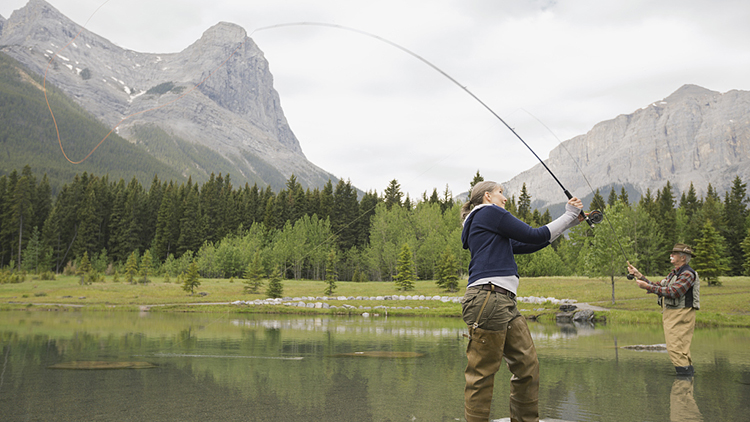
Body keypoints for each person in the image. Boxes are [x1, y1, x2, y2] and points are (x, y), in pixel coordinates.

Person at [460, 181, 583, 422]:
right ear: (487, 196)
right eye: (501, 193)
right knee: (482, 374)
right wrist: (568, 213)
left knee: (527, 365)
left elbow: (531, 243)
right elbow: (533, 233)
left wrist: (569, 221)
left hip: (502, 300)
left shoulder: (486, 225)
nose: (505, 199)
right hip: (488, 298)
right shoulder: (488, 212)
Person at [627, 244, 700, 376]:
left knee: (675, 348)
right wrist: (639, 275)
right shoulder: (675, 273)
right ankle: (686, 383)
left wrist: (646, 286)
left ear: (683, 258)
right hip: (672, 313)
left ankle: (684, 379)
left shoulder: (688, 274)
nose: (671, 256)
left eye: (674, 254)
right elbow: (658, 286)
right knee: (679, 348)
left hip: (681, 313)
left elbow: (674, 291)